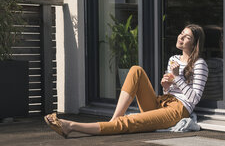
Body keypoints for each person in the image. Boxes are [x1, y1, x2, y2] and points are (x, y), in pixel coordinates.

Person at [44, 24, 209, 138]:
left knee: (131, 121)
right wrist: (166, 86)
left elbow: (194, 99)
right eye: (181, 33)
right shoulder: (174, 58)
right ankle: (115, 118)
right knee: (136, 70)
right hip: (162, 101)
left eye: (186, 37)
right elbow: (169, 90)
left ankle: (71, 126)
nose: (180, 37)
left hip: (178, 109)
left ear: (194, 43)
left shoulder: (199, 64)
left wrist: (177, 78)